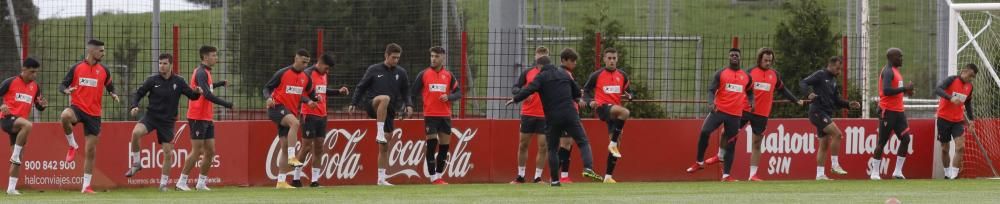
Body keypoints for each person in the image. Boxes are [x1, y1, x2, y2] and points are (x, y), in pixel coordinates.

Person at [506, 55, 603, 187]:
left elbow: (529, 89)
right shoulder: (564, 74)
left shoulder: (541, 77)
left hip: (552, 117)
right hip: (570, 114)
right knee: (583, 142)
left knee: (552, 148)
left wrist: (515, 99)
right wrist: (575, 98)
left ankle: (555, 181)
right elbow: (576, 91)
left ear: (540, 66)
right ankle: (588, 168)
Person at [124, 54, 202, 192]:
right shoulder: (152, 80)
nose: (162, 66)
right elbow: (138, 93)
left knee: (168, 153)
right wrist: (134, 106)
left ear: (171, 65)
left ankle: (163, 185)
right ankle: (136, 163)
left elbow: (192, 96)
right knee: (135, 133)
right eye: (160, 63)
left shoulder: (179, 81)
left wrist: (197, 92)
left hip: (167, 122)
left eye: (165, 63)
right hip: (151, 117)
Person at [59, 39, 120, 193]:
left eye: (103, 51)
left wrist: (113, 93)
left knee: (90, 151)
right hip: (77, 108)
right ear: (92, 51)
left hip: (94, 114)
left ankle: (86, 186)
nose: (103, 53)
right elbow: (62, 85)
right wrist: (66, 91)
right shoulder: (76, 68)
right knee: (65, 116)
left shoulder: (104, 70)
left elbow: (109, 85)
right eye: (101, 51)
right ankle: (72, 144)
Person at [349, 43, 413, 186]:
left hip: (389, 111)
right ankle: (379, 132)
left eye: (398, 58)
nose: (396, 60)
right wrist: (354, 102)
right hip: (373, 104)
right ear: (386, 55)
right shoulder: (374, 69)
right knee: (384, 98)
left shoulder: (401, 72)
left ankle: (381, 179)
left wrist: (409, 105)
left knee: (385, 145)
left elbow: (406, 91)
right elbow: (361, 87)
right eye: (393, 57)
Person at [686, 48, 753, 182]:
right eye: (732, 55)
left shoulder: (746, 76)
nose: (734, 57)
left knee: (731, 143)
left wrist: (751, 102)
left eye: (736, 55)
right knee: (705, 132)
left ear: (740, 58)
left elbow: (750, 92)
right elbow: (711, 90)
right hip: (719, 111)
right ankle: (699, 162)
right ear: (729, 58)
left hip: (735, 115)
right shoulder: (721, 73)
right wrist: (711, 103)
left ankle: (726, 175)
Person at [176, 45, 234, 191]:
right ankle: (182, 181)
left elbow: (208, 88)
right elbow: (207, 94)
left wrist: (220, 83)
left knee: (210, 151)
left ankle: (201, 183)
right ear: (205, 57)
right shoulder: (201, 72)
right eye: (214, 55)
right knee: (197, 151)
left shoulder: (206, 73)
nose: (216, 58)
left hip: (207, 117)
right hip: (197, 116)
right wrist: (226, 104)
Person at [740, 48, 802, 181]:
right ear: (759, 60)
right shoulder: (750, 72)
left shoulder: (774, 75)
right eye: (765, 60)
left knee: (757, 143)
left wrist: (795, 100)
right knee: (729, 135)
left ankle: (752, 175)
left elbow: (783, 90)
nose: (768, 63)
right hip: (745, 110)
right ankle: (724, 169)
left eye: (770, 60)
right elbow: (739, 87)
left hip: (762, 114)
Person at [290, 53, 349, 188]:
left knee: (319, 147)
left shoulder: (324, 75)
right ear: (320, 63)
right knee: (306, 147)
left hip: (322, 116)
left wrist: (338, 92)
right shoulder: (307, 74)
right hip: (308, 115)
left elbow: (323, 91)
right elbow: (299, 92)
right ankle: (296, 179)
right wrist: (310, 100)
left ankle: (315, 181)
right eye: (326, 68)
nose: (327, 71)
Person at [264, 49, 320, 189]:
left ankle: (281, 181)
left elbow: (310, 93)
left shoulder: (306, 78)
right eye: (303, 62)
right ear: (296, 58)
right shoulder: (282, 73)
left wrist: (313, 99)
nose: (305, 65)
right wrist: (269, 98)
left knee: (284, 146)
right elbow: (267, 88)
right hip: (276, 108)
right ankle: (292, 156)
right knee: (295, 123)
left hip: (290, 111)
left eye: (307, 63)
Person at [800, 56, 860, 180]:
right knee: (838, 134)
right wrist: (808, 93)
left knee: (824, 144)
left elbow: (836, 101)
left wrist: (849, 104)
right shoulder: (820, 74)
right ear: (830, 65)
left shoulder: (833, 80)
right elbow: (803, 82)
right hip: (817, 112)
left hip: (825, 113)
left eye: (840, 69)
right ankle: (835, 164)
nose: (839, 71)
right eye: (837, 68)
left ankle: (820, 174)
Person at [411, 46, 462, 185]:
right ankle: (433, 177)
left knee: (444, 147)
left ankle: (439, 176)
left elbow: (459, 92)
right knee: (432, 143)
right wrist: (408, 106)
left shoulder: (449, 75)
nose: (433, 59)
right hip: (430, 115)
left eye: (436, 56)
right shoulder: (424, 74)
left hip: (445, 116)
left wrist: (449, 97)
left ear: (443, 58)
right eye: (432, 56)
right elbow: (413, 92)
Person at [582, 48, 633, 183]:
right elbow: (585, 91)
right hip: (603, 107)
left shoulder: (623, 75)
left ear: (617, 59)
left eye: (614, 58)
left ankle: (608, 177)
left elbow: (629, 91)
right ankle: (613, 143)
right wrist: (590, 101)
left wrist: (630, 95)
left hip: (615, 111)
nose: (611, 61)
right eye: (609, 58)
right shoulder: (596, 75)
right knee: (625, 112)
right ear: (604, 59)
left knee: (617, 144)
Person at [2, 58, 47, 195]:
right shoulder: (10, 82)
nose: (34, 75)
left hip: (20, 125)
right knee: (28, 125)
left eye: (36, 72)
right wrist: (2, 105)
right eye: (32, 72)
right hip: (7, 119)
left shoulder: (35, 87)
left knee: (19, 157)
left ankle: (11, 188)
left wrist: (42, 106)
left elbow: (38, 105)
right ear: (24, 70)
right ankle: (15, 155)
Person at [869, 48, 915, 180]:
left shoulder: (896, 71)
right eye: (899, 56)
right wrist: (904, 88)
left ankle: (897, 172)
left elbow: (896, 91)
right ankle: (875, 173)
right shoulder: (888, 71)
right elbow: (887, 90)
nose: (901, 59)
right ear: (891, 57)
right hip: (888, 111)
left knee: (906, 139)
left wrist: (906, 92)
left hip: (899, 112)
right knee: (882, 142)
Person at [510, 46, 550, 184]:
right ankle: (520, 176)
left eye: (544, 54)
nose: (541, 56)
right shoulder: (527, 72)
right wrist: (523, 92)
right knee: (523, 145)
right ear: (535, 56)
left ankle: (538, 177)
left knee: (543, 146)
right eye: (539, 54)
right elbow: (515, 88)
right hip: (528, 113)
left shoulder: (552, 73)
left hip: (545, 115)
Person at [935, 63, 978, 179]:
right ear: (965, 70)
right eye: (970, 75)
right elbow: (938, 89)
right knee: (945, 148)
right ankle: (947, 173)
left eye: (973, 77)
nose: (971, 78)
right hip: (943, 118)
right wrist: (950, 98)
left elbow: (968, 103)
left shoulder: (970, 87)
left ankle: (954, 175)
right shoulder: (951, 79)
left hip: (957, 121)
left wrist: (971, 120)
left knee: (960, 147)